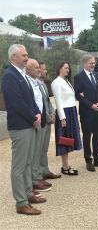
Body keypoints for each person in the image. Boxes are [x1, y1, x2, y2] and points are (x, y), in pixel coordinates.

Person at [2, 44, 44, 215]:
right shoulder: (9, 76)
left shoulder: (22, 75)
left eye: (27, 55)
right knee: (19, 165)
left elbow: (31, 99)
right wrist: (33, 117)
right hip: (20, 126)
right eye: (24, 55)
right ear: (13, 57)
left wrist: (37, 112)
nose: (27, 58)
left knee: (28, 161)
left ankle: (28, 193)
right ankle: (21, 202)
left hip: (29, 123)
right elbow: (17, 102)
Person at [74, 54, 98, 172]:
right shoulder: (79, 77)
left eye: (94, 63)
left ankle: (97, 159)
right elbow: (78, 95)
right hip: (87, 112)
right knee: (87, 136)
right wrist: (91, 105)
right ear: (84, 63)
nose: (93, 65)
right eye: (91, 63)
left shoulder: (97, 75)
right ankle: (88, 161)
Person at [51, 61, 82, 175]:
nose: (67, 70)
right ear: (59, 68)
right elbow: (58, 100)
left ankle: (66, 164)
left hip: (71, 111)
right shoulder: (56, 82)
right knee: (65, 139)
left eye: (68, 68)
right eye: (65, 68)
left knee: (70, 138)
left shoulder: (66, 81)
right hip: (64, 113)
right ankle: (65, 166)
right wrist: (62, 118)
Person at [26, 59, 52, 193]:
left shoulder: (37, 83)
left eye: (39, 68)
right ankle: (34, 180)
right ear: (28, 69)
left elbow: (44, 100)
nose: (41, 70)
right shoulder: (28, 83)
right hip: (34, 121)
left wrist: (49, 113)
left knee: (40, 150)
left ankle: (38, 177)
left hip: (42, 119)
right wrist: (35, 115)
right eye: (37, 68)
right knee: (34, 153)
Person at [39, 61, 61, 179]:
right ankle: (39, 174)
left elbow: (48, 101)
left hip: (48, 120)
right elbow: (39, 105)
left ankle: (45, 171)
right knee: (39, 149)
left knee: (44, 149)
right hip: (42, 121)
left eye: (45, 69)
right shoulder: (36, 85)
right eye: (43, 69)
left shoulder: (43, 84)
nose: (45, 71)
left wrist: (53, 113)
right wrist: (49, 116)